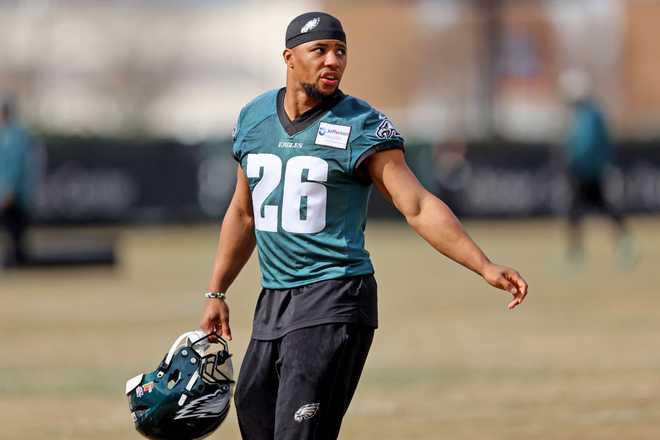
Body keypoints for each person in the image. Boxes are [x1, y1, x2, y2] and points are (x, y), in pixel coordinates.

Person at [200, 12, 528, 440]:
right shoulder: (253, 119)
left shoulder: (360, 124)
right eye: (319, 50)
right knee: (256, 421)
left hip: (335, 296)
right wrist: (216, 291)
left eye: (340, 52)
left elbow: (417, 206)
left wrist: (483, 264)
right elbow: (244, 213)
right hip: (275, 299)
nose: (332, 60)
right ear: (289, 57)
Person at [559, 70, 634, 267]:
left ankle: (578, 253)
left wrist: (573, 160)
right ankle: (579, 251)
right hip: (587, 171)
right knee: (585, 210)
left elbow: (586, 144)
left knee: (586, 209)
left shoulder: (589, 115)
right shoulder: (583, 114)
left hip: (588, 172)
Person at [0, 97, 35, 266]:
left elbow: (14, 166)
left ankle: (16, 261)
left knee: (14, 229)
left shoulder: (13, 136)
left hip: (14, 193)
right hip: (13, 192)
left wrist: (9, 190)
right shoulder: (12, 134)